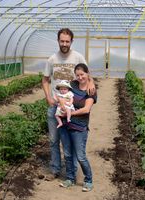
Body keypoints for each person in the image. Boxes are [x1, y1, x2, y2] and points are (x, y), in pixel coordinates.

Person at [42, 28, 95, 180]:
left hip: (72, 107)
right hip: (55, 107)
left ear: (71, 41)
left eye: (67, 41)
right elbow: (45, 80)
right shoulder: (52, 59)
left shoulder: (78, 57)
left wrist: (91, 86)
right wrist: (48, 97)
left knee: (70, 141)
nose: (64, 43)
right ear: (58, 41)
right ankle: (55, 170)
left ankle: (71, 173)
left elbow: (88, 75)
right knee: (53, 140)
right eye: (62, 41)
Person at [59, 63, 97, 192]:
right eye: (78, 75)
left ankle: (88, 180)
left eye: (83, 74)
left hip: (79, 127)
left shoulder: (91, 91)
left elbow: (86, 109)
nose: (80, 77)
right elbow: (62, 91)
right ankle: (70, 178)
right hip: (65, 125)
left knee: (80, 156)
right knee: (68, 154)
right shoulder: (72, 85)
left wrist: (70, 113)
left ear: (87, 73)